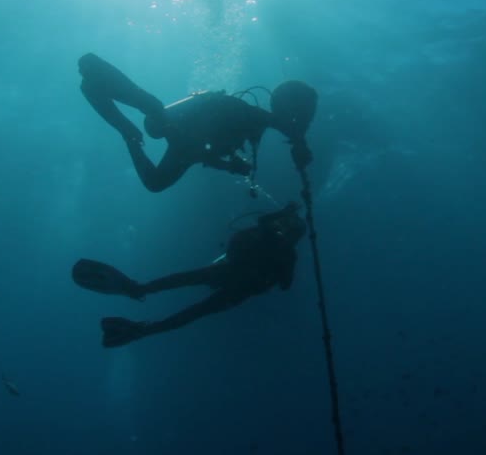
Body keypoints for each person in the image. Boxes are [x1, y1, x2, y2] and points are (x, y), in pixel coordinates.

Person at [72, 203, 308, 347]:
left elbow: (263, 221)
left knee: (185, 282)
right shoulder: (288, 253)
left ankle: (139, 290)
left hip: (228, 274)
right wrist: (280, 270)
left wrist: (284, 212)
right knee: (194, 310)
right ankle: (146, 325)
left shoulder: (273, 238)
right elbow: (285, 285)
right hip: (238, 288)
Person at [77, 53, 318, 192]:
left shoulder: (259, 121)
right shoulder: (257, 116)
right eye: (303, 115)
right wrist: (300, 142)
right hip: (183, 131)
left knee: (155, 180)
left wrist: (229, 166)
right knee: (154, 122)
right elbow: (287, 126)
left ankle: (128, 130)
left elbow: (205, 152)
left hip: (188, 144)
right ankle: (137, 112)